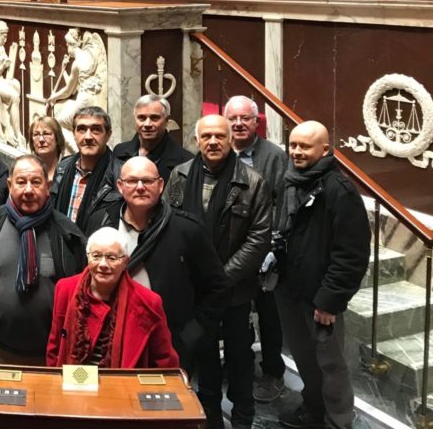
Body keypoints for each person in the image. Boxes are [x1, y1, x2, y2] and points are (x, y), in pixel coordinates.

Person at [167, 115, 272, 429]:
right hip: (194, 291)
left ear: (230, 140)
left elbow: (259, 238)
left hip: (235, 292)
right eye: (206, 136)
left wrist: (221, 279)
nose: (213, 142)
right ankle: (210, 418)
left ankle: (242, 419)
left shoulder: (253, 182)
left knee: (239, 358)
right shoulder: (180, 175)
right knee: (204, 355)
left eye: (219, 136)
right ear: (196, 140)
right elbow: (170, 224)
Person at [275, 121, 370, 429]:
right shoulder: (291, 180)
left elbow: (351, 255)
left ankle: (338, 420)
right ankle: (313, 409)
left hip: (320, 300)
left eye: (305, 146)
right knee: (304, 358)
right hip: (290, 290)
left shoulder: (339, 191)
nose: (297, 151)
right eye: (293, 145)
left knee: (331, 365)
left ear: (325, 150)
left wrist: (329, 301)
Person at [99, 157, 229, 372]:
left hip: (169, 341)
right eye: (132, 181)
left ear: (160, 185)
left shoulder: (187, 229)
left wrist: (192, 333)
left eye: (147, 181)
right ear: (120, 186)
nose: (140, 187)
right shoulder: (101, 223)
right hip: (111, 337)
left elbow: (216, 287)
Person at [0, 156, 86, 365]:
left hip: (50, 356)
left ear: (48, 186)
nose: (28, 190)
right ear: (10, 185)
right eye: (21, 182)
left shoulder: (68, 235)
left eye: (36, 182)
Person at [223, 95, 290, 403]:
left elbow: (281, 202)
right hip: (229, 249)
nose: (238, 123)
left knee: (268, 314)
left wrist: (271, 245)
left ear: (255, 121)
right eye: (233, 118)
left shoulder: (274, 156)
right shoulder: (218, 150)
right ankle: (241, 367)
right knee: (235, 311)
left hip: (264, 250)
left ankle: (273, 371)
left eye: (244, 118)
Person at [46, 227, 179, 369]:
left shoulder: (148, 302)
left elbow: (165, 362)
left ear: (125, 262)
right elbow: (54, 348)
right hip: (74, 383)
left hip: (123, 386)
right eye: (96, 256)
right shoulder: (66, 289)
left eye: (111, 257)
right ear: (88, 257)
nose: (103, 264)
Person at [51, 107, 115, 234]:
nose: (88, 136)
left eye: (96, 129)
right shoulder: (63, 168)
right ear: (74, 134)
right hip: (63, 247)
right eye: (81, 129)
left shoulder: (119, 173)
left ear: (108, 135)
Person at [107, 94, 192, 184]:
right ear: (135, 119)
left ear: (167, 121)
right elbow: (107, 189)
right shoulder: (119, 151)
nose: (147, 124)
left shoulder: (185, 161)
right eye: (142, 118)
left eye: (154, 118)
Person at [30, 116, 63, 184]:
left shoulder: (68, 172)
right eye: (36, 135)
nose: (41, 139)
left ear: (57, 139)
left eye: (46, 134)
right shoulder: (26, 171)